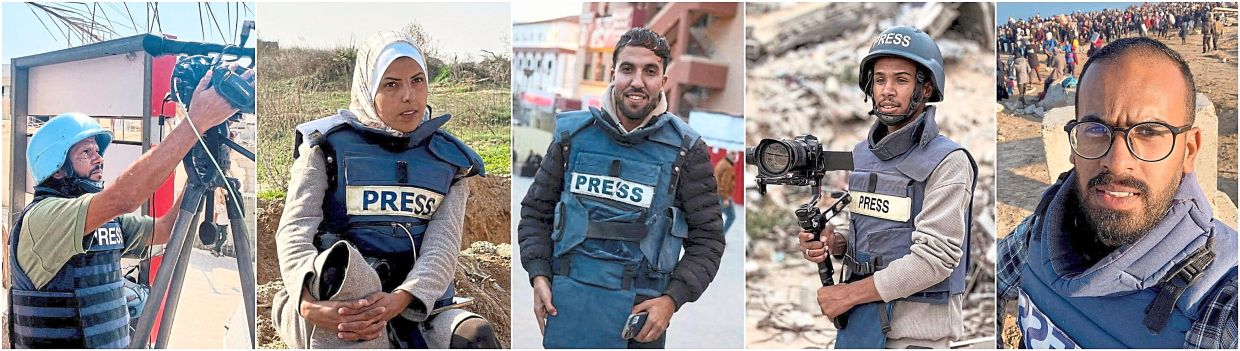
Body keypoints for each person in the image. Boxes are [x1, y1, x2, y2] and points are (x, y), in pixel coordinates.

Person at [997, 37, 1237, 349]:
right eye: (1096, 130)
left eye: (1149, 132)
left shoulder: (1219, 300)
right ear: (1075, 144)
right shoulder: (1043, 229)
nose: (1117, 162)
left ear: (1189, 150)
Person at [270, 31, 499, 349]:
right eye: (391, 84)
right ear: (368, 88)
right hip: (338, 303)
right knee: (352, 284)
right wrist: (306, 303)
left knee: (476, 337)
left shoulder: (450, 162)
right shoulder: (325, 148)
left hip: (416, 307)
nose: (409, 95)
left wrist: (401, 299)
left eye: (418, 80)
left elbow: (442, 249)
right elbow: (294, 232)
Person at [517, 27, 725, 349]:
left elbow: (709, 240)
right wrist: (539, 274)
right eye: (628, 69)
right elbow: (536, 211)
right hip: (570, 303)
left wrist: (671, 300)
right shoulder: (572, 136)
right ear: (612, 74)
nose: (637, 82)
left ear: (663, 81)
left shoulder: (687, 150)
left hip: (640, 321)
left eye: (650, 71)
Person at [7, 67, 244, 348]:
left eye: (98, 151)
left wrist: (200, 175)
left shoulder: (103, 221)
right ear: (57, 170)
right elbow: (125, 197)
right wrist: (196, 122)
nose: (99, 159)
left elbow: (166, 229)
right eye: (86, 152)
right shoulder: (44, 218)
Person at [798, 26, 978, 349]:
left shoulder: (949, 162)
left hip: (914, 338)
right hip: (860, 332)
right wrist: (835, 243)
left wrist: (848, 294)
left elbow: (933, 260)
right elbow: (877, 233)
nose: (887, 90)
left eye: (901, 80)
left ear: (925, 89)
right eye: (880, 80)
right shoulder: (861, 155)